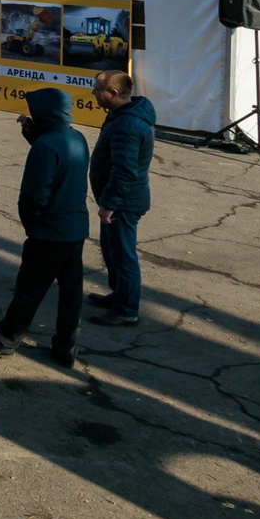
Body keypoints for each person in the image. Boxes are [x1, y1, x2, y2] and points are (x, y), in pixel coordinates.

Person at [0, 87, 90, 369]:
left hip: (49, 232)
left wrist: (32, 222)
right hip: (75, 228)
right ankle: (66, 347)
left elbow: (35, 195)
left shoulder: (45, 146)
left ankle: (6, 340)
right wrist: (34, 136)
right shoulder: (76, 137)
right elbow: (60, 161)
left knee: (29, 290)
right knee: (71, 293)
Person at [88, 71, 156, 327]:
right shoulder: (120, 115)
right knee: (111, 251)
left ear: (114, 93)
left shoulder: (127, 125)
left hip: (123, 203)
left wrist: (110, 205)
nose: (93, 93)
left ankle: (127, 309)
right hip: (117, 200)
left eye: (98, 90)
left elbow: (125, 170)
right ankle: (119, 295)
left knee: (123, 256)